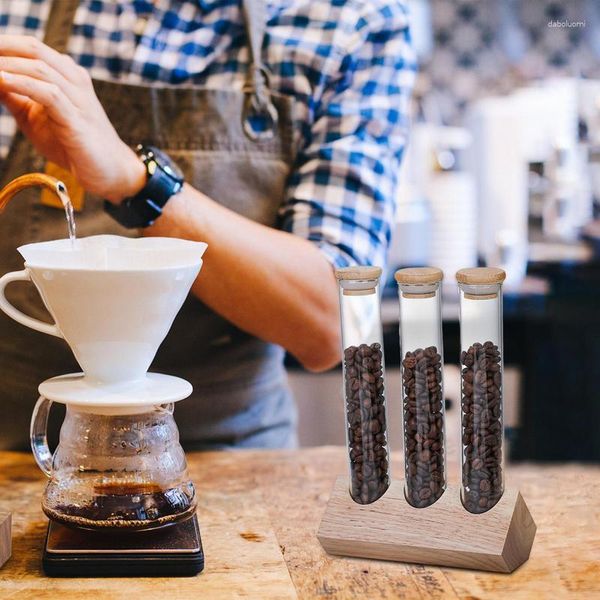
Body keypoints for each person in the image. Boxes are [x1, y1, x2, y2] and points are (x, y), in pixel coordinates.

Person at [0, 0, 415, 450]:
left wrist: (136, 181)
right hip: (15, 453)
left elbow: (330, 323)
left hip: (237, 462)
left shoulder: (352, 22)